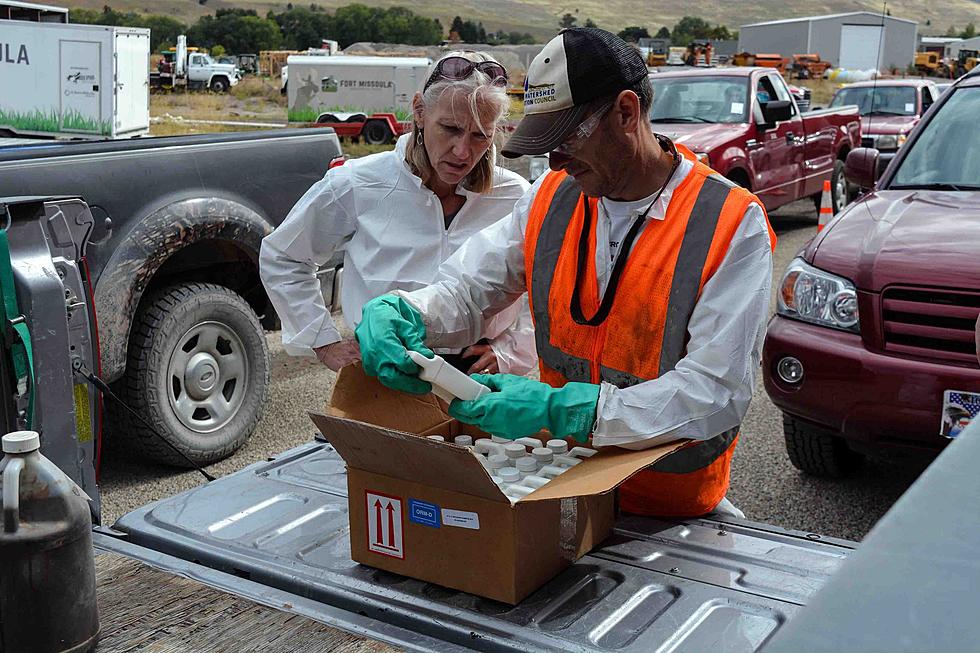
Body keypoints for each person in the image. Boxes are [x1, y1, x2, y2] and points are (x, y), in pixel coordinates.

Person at [354, 28, 776, 519]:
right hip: (562, 488)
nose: (553, 160)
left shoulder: (728, 223)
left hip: (669, 505)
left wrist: (567, 412)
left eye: (566, 137)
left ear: (625, 112)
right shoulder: (552, 196)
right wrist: (408, 311)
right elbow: (470, 290)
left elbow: (715, 393)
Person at [260, 51, 536, 376]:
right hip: (383, 369)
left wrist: (512, 349)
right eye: (449, 128)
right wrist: (323, 342)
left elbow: (544, 285)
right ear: (420, 112)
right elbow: (284, 257)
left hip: (478, 377)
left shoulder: (515, 196)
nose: (462, 151)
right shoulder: (358, 182)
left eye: (480, 136)